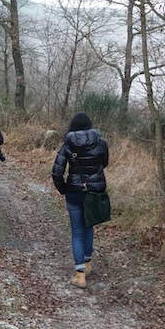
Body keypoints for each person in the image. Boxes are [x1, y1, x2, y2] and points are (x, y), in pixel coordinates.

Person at [51, 112, 109, 289]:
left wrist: (64, 188)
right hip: (94, 191)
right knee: (89, 225)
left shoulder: (68, 145)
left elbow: (57, 171)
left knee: (77, 231)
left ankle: (80, 274)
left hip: (75, 192)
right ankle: (88, 263)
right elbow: (104, 163)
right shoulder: (101, 143)